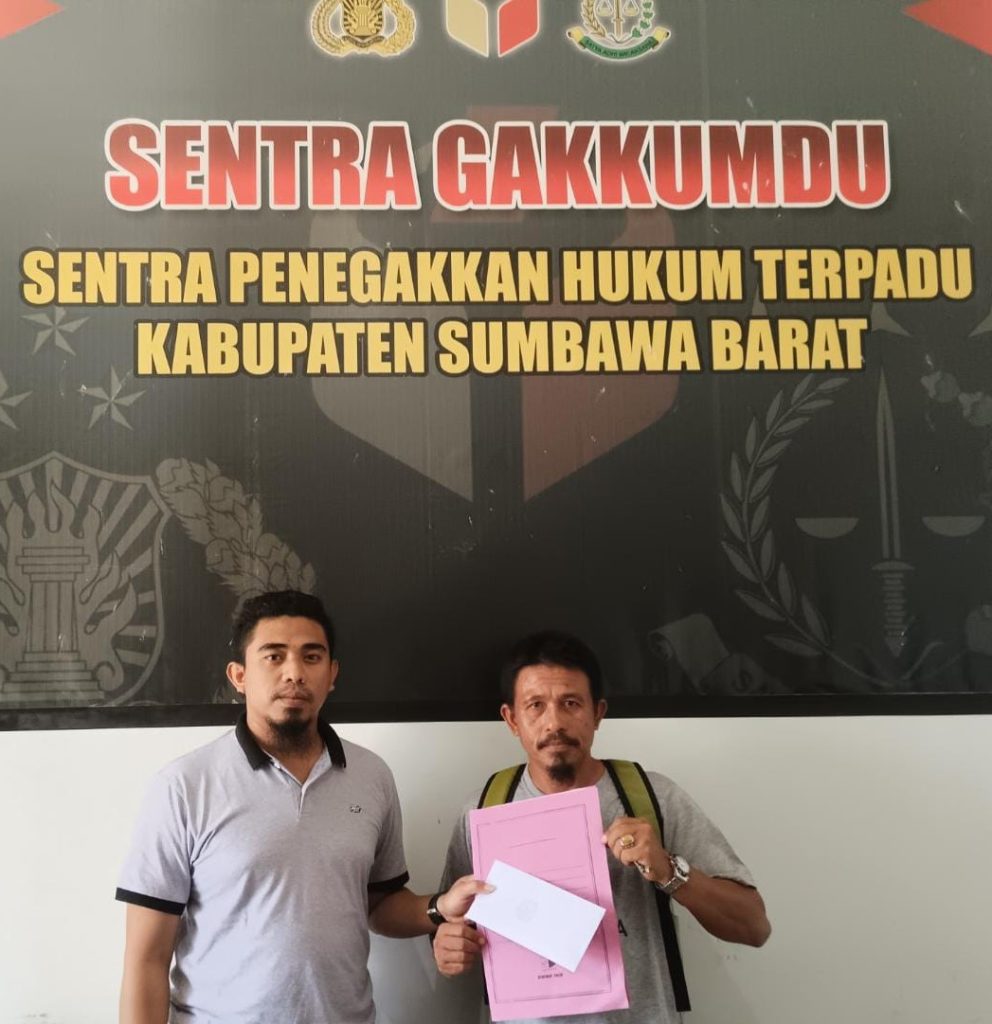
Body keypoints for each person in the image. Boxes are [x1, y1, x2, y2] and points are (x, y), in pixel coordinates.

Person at [117, 589, 486, 1024]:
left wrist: (439, 907)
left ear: (332, 674)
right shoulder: (184, 786)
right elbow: (146, 959)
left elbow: (379, 903)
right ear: (239, 675)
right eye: (274, 656)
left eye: (311, 657)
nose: (294, 672)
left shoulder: (371, 776)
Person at [433, 630, 770, 1024]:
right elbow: (451, 922)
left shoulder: (653, 798)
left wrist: (668, 870)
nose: (554, 722)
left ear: (598, 713)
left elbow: (753, 927)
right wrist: (446, 944)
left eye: (571, 703)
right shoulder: (484, 810)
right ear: (512, 720)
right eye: (535, 705)